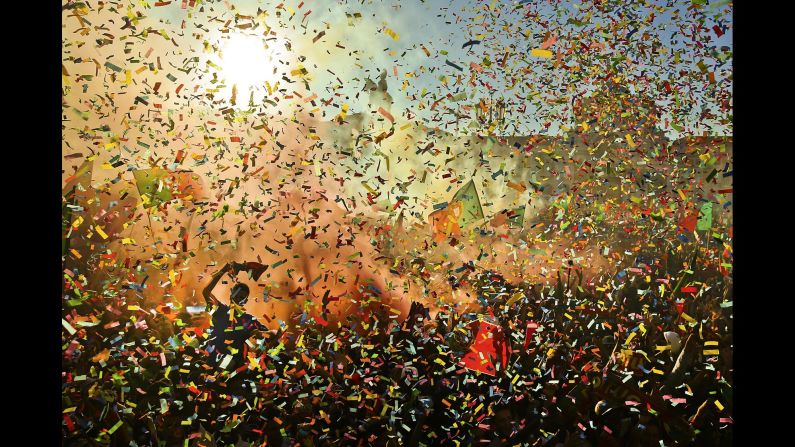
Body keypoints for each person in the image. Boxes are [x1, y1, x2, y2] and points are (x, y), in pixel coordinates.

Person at [201, 261, 268, 369]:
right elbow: (206, 292)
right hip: (219, 366)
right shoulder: (222, 311)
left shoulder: (247, 319)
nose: (238, 298)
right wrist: (224, 269)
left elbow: (266, 335)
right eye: (239, 295)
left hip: (229, 369)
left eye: (241, 296)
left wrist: (224, 270)